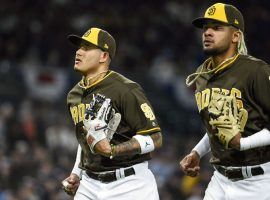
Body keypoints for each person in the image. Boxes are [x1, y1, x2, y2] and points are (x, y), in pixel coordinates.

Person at [180, 3, 270, 200]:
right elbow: (218, 126)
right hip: (220, 179)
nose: (208, 33)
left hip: (258, 182)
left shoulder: (256, 71)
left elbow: (234, 138)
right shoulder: (203, 76)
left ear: (236, 36)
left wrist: (242, 143)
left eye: (217, 27)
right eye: (205, 28)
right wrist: (197, 152)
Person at [61, 27, 162, 200]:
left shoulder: (126, 89)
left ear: (103, 56)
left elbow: (155, 138)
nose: (78, 52)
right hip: (89, 185)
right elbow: (86, 139)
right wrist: (76, 173)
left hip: (130, 184)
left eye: (86, 48)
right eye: (79, 47)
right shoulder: (74, 95)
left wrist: (113, 150)